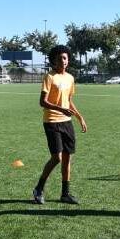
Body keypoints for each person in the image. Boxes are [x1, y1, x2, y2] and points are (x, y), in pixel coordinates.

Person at [32, 45, 87, 205]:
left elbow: (69, 101)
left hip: (66, 123)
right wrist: (61, 109)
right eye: (58, 58)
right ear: (53, 61)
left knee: (67, 158)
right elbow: (43, 102)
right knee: (57, 158)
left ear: (68, 60)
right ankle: (39, 189)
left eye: (64, 57)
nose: (62, 60)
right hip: (52, 121)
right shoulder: (49, 77)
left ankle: (65, 193)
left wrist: (79, 117)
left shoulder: (70, 78)